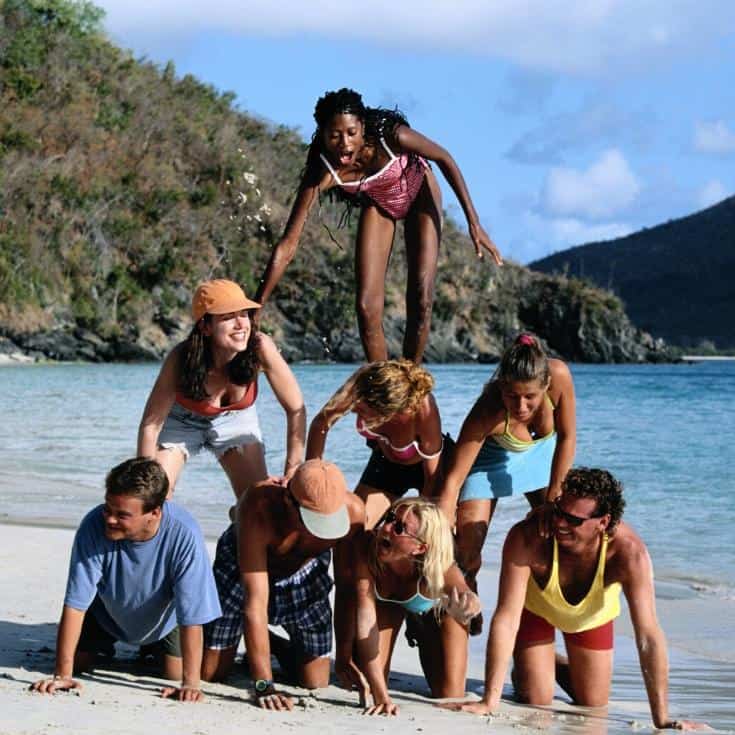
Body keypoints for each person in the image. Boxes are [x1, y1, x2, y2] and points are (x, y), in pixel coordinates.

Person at [447, 468, 708, 730]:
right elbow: (506, 618)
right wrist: (489, 700)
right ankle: (529, 664)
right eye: (560, 511)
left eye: (573, 520)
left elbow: (648, 635)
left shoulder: (629, 554)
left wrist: (661, 718)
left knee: (592, 703)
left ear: (603, 522)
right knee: (537, 698)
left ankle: (550, 661)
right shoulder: (528, 536)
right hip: (536, 609)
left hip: (590, 617)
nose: (560, 523)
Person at [255, 87, 502, 363]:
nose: (345, 144)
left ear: (362, 126)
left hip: (419, 189)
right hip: (380, 204)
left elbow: (444, 157)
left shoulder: (390, 136)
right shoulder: (322, 169)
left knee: (421, 297)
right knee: (365, 306)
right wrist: (257, 305)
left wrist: (474, 222)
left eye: (351, 133)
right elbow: (288, 245)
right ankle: (382, 382)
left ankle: (410, 377)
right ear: (322, 134)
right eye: (334, 136)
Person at [30, 458, 221, 702]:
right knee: (78, 664)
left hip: (164, 621)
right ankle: (104, 646)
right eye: (108, 509)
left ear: (154, 513)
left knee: (174, 674)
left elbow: (192, 613)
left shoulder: (184, 533)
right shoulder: (93, 525)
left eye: (122, 515)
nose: (110, 519)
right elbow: (75, 603)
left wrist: (191, 684)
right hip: (106, 614)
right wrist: (62, 675)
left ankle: (150, 647)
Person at [437, 333, 576, 630]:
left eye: (530, 397)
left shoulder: (559, 375)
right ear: (502, 388)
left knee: (558, 535)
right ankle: (466, 613)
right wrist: (445, 515)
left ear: (546, 386)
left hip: (541, 455)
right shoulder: (488, 409)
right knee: (466, 550)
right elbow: (454, 478)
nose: (522, 406)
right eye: (513, 396)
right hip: (489, 462)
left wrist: (554, 496)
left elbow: (567, 437)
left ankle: (541, 627)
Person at [201, 459, 365, 711]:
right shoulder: (259, 505)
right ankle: (251, 642)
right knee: (210, 672)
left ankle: (269, 642)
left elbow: (346, 586)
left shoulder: (353, 512)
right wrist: (263, 685)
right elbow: (254, 603)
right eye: (313, 521)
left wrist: (344, 657)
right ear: (289, 500)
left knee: (315, 681)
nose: (319, 532)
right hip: (243, 569)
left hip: (304, 572)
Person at [137, 278, 305, 500]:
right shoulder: (181, 358)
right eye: (228, 317)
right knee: (155, 496)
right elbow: (151, 425)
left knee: (258, 503)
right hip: (182, 420)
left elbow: (296, 409)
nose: (241, 325)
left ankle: (235, 527)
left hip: (236, 420)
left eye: (244, 314)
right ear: (205, 326)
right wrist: (142, 487)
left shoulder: (260, 347)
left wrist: (293, 470)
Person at [338, 498, 480, 715]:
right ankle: (410, 619)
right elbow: (366, 621)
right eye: (389, 518)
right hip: (388, 605)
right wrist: (381, 695)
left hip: (437, 611)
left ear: (420, 547)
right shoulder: (367, 549)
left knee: (449, 692)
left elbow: (466, 595)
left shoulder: (438, 566)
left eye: (398, 528)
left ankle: (419, 625)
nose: (385, 528)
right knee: (368, 681)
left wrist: (468, 608)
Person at [307, 359, 444, 529]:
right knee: (351, 528)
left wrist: (426, 518)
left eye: (362, 411)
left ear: (389, 414)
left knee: (429, 533)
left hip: (430, 471)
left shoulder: (424, 411)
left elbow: (433, 477)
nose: (354, 411)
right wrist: (310, 477)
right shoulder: (364, 383)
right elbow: (321, 423)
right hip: (387, 464)